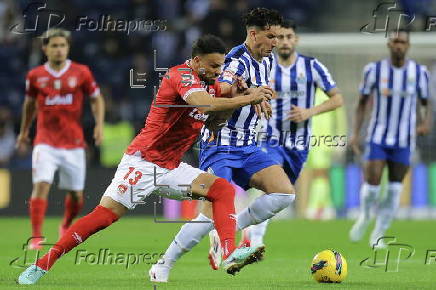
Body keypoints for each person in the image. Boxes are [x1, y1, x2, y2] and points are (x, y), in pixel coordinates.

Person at [18, 34, 273, 285]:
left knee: (222, 190)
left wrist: (235, 101)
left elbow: (215, 120)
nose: (219, 71)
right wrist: (248, 97)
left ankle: (229, 253)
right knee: (103, 217)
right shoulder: (180, 75)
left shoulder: (212, 85)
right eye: (214, 65)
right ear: (197, 61)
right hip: (144, 161)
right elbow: (204, 105)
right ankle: (41, 264)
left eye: (221, 66)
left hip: (171, 166)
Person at [149, 8, 296, 282]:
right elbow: (223, 89)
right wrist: (251, 92)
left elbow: (254, 93)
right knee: (208, 212)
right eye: (271, 36)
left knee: (285, 194)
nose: (276, 42)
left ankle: (225, 228)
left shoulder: (268, 61)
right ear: (254, 34)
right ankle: (163, 264)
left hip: (249, 146)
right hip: (221, 146)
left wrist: (260, 97)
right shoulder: (235, 60)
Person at [239, 19, 343, 248]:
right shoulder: (265, 65)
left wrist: (309, 112)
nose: (284, 42)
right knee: (272, 187)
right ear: (274, 41)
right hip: (270, 139)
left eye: (289, 37)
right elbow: (244, 90)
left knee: (281, 197)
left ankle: (243, 226)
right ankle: (253, 239)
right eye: (280, 37)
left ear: (296, 40)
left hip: (299, 145)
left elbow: (337, 99)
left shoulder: (312, 67)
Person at [15, 28, 105, 250]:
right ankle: (36, 236)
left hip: (73, 143)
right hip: (45, 141)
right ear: (45, 48)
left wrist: (99, 125)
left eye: (62, 46)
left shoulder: (81, 72)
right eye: (54, 46)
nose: (58, 50)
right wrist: (24, 131)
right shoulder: (35, 76)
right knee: (41, 184)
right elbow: (29, 105)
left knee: (76, 195)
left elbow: (96, 99)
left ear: (68, 48)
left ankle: (65, 224)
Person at [349, 29, 431, 247]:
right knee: (373, 186)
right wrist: (355, 133)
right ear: (388, 44)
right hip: (378, 137)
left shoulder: (419, 72)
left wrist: (425, 122)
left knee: (395, 189)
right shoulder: (374, 70)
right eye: (395, 41)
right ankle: (365, 216)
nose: (398, 45)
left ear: (408, 45)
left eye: (402, 42)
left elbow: (425, 103)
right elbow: (362, 103)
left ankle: (379, 232)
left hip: (404, 140)